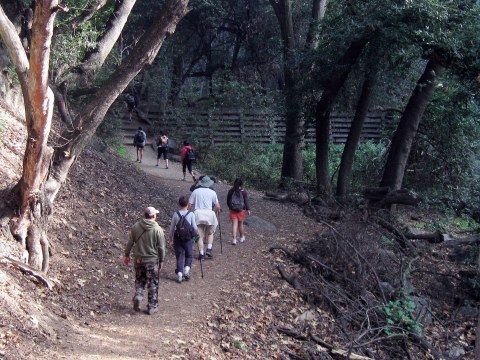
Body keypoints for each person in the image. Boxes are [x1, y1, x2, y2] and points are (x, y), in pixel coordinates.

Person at [124, 206, 166, 315]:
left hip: (138, 260)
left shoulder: (136, 227)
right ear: (154, 216)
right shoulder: (158, 230)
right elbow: (161, 247)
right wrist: (161, 260)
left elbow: (130, 243)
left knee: (140, 280)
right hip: (152, 260)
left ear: (145, 215)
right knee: (152, 283)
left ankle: (138, 295)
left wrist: (126, 255)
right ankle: (152, 306)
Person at [188, 176, 221, 259]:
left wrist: (187, 214)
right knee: (210, 233)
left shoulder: (195, 191)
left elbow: (190, 205)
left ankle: (201, 254)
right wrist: (218, 212)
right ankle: (209, 249)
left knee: (199, 236)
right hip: (209, 214)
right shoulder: (213, 192)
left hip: (198, 214)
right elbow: (217, 206)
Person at [168, 196, 198, 283]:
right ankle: (186, 269)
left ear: (179, 204)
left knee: (179, 255)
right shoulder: (191, 214)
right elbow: (194, 227)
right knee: (189, 255)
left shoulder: (176, 214)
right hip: (188, 238)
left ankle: (180, 274)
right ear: (188, 204)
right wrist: (196, 233)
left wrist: (170, 239)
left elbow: (172, 228)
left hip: (178, 237)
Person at [227, 178, 251, 245]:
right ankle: (241, 237)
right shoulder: (244, 192)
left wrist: (230, 207)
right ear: (241, 184)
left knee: (234, 225)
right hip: (241, 210)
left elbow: (228, 201)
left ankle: (234, 239)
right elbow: (246, 201)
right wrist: (248, 209)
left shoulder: (231, 191)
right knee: (240, 225)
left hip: (233, 210)